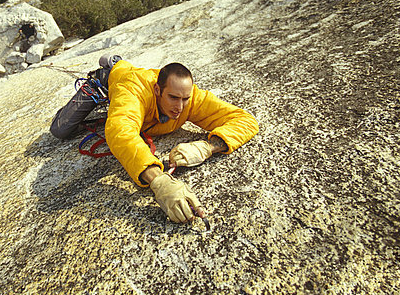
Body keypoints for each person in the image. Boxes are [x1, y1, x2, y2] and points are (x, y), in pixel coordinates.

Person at [50, 55, 259, 224]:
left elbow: (245, 120)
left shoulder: (191, 98)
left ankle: (119, 63)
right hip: (116, 80)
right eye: (173, 98)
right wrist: (158, 180)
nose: (180, 107)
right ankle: (107, 71)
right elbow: (119, 130)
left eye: (185, 99)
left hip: (140, 82)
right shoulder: (133, 90)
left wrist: (207, 147)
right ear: (157, 90)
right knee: (61, 130)